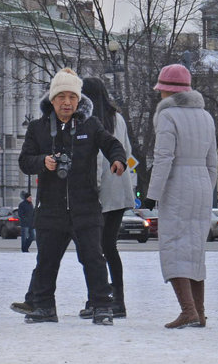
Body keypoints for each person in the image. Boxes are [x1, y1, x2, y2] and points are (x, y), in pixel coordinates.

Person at [11, 69, 127, 325]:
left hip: (85, 206)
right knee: (46, 261)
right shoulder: (38, 128)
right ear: (52, 100)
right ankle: (43, 307)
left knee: (94, 259)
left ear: (79, 100)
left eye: (72, 97)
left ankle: (102, 307)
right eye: (61, 97)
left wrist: (118, 160)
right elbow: (24, 161)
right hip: (50, 208)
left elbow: (112, 145)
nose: (66, 102)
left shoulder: (90, 124)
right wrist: (44, 161)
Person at [145, 64, 217, 329]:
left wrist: (152, 194)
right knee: (195, 251)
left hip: (177, 185)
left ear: (165, 90)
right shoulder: (205, 117)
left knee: (174, 248)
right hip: (200, 185)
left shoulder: (168, 116)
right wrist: (206, 188)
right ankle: (199, 311)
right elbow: (213, 161)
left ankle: (188, 311)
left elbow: (164, 157)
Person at [77, 77, 136, 319]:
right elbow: (128, 153)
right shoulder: (117, 118)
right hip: (119, 190)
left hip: (99, 192)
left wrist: (95, 190)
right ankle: (119, 300)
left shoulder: (90, 121)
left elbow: (98, 160)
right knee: (109, 247)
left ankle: (96, 299)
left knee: (93, 249)